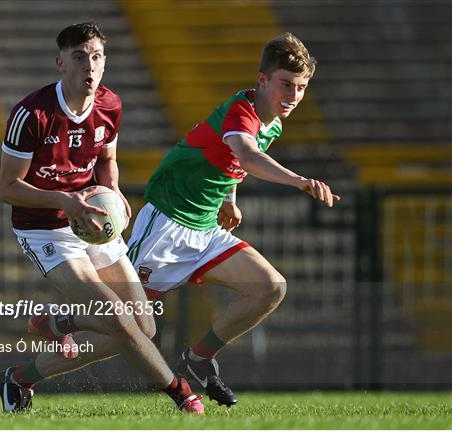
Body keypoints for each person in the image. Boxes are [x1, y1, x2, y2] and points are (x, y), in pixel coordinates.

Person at [0, 22, 203, 414]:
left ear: (104, 62)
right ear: (61, 64)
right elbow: (8, 188)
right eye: (79, 57)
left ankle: (25, 370)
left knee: (143, 328)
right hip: (45, 228)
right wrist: (65, 201)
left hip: (92, 221)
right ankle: (180, 393)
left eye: (96, 57)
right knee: (118, 319)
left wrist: (115, 192)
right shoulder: (32, 114)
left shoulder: (110, 106)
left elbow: (107, 162)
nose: (89, 67)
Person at [126, 32, 340, 406]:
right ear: (262, 80)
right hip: (168, 218)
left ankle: (198, 359)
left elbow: (233, 161)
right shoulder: (242, 110)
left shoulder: (272, 122)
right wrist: (299, 181)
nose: (293, 95)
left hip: (206, 227)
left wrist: (229, 198)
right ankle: (33, 360)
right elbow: (246, 154)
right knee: (122, 322)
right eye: (285, 84)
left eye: (301, 87)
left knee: (270, 287)